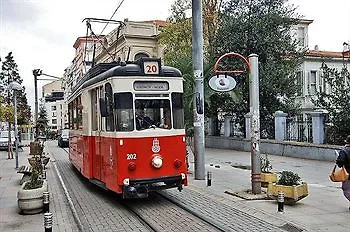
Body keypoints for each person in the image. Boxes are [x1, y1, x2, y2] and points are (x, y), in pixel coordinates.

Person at [336, 135, 350, 210]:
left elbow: (340, 162)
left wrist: (338, 162)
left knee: (347, 190)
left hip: (348, 173)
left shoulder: (344, 150)